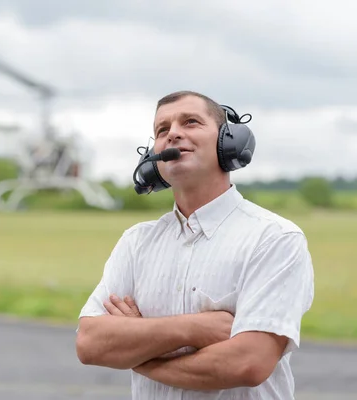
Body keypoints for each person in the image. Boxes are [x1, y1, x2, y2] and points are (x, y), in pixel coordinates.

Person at [75, 90, 315, 399]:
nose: (173, 133)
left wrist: (138, 356)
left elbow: (248, 363)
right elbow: (90, 343)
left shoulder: (275, 239)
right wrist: (194, 328)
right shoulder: (136, 243)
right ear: (152, 159)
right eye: (162, 130)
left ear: (228, 143)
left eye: (190, 122)